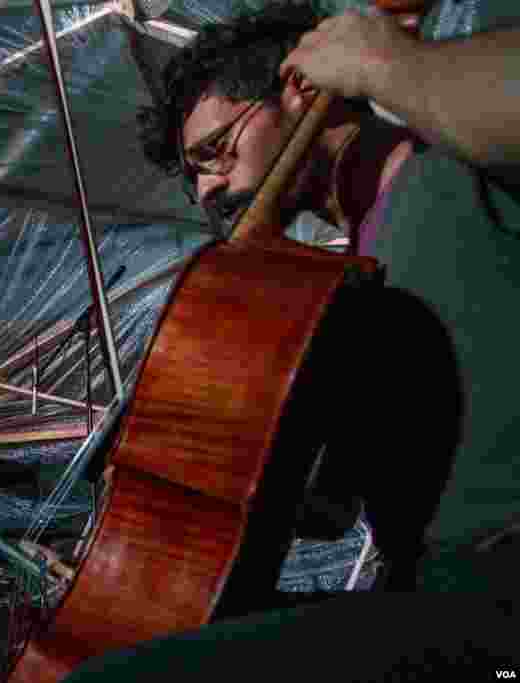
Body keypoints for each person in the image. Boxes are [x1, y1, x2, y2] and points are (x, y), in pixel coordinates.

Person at [59, 1, 520, 680]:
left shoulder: (452, 163)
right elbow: (331, 510)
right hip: (428, 594)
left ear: (302, 87)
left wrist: (382, 62)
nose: (208, 189)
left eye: (215, 153)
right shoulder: (342, 285)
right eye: (194, 177)